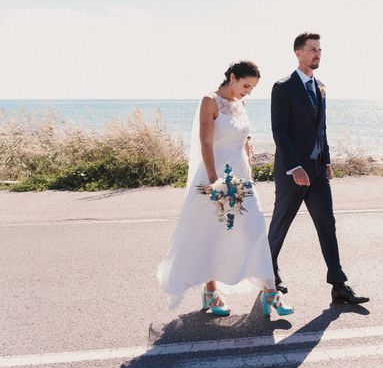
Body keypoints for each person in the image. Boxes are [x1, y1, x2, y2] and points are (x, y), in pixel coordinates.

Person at [157, 61, 293, 317]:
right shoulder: (209, 101)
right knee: (212, 234)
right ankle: (211, 292)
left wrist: (247, 146)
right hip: (215, 176)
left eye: (252, 88)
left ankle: (270, 293)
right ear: (232, 77)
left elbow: (241, 133)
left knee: (255, 231)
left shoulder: (240, 104)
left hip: (241, 176)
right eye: (245, 85)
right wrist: (213, 181)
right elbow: (205, 144)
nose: (247, 92)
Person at [268, 32, 369, 304]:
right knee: (280, 225)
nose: (318, 54)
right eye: (313, 49)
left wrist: (326, 161)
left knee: (327, 224)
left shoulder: (321, 86)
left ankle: (339, 285)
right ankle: (268, 276)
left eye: (320, 50)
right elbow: (280, 131)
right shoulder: (283, 87)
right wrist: (295, 167)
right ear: (298, 53)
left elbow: (320, 129)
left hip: (317, 171)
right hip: (293, 173)